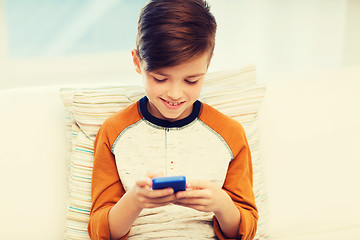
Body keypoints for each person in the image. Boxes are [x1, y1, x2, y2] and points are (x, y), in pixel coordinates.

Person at [88, 0, 258, 239]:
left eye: (191, 80)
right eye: (160, 79)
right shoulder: (114, 132)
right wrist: (134, 201)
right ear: (137, 62)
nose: (175, 94)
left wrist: (221, 203)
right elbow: (100, 232)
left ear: (207, 66)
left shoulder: (230, 133)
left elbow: (244, 231)